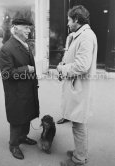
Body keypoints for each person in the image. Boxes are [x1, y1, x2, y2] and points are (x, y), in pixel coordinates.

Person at [57, 5, 97, 166]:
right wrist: (65, 63)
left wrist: (62, 68)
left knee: (78, 124)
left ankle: (79, 159)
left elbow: (82, 66)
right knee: (79, 123)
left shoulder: (86, 36)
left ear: (76, 20)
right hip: (77, 86)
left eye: (69, 20)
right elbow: (75, 59)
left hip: (79, 87)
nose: (67, 23)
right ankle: (81, 153)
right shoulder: (80, 34)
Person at [0, 18, 39, 160]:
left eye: (30, 28)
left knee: (26, 115)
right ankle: (14, 145)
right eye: (26, 28)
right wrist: (26, 69)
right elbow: (6, 74)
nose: (29, 30)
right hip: (16, 93)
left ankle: (23, 137)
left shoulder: (24, 44)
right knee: (17, 118)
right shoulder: (6, 48)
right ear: (15, 28)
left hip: (27, 89)